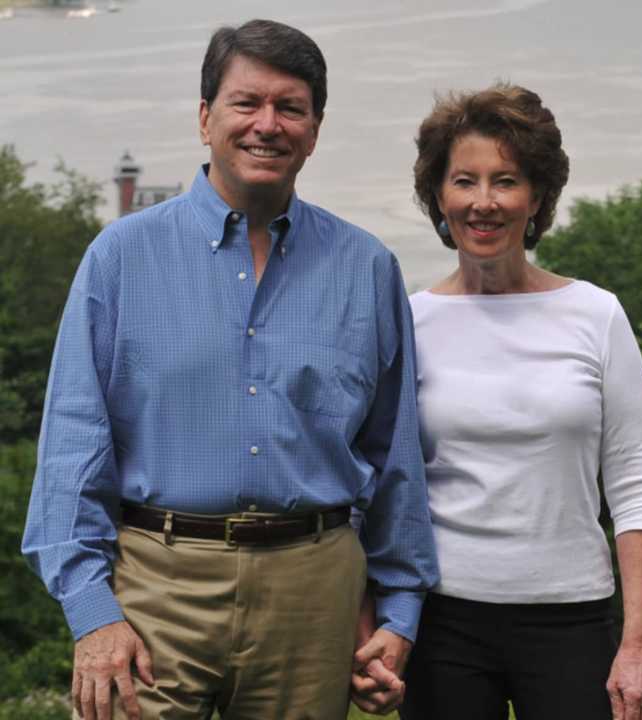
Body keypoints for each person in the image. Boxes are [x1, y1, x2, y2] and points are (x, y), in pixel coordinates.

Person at [22, 19, 438, 720]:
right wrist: (92, 612)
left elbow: (394, 454)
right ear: (206, 117)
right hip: (156, 586)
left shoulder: (365, 268)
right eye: (247, 103)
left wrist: (398, 611)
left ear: (315, 127)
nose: (267, 125)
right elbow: (72, 444)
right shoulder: (121, 259)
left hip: (313, 592)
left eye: (291, 107)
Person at [398, 85, 642, 720]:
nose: (484, 202)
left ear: (537, 197)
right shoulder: (410, 322)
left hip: (572, 619)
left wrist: (638, 644)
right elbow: (384, 486)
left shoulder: (596, 315)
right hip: (443, 624)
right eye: (465, 181)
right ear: (440, 197)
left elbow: (634, 484)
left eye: (506, 181)